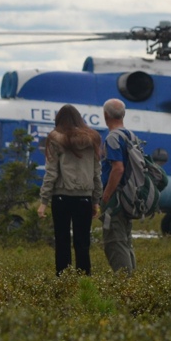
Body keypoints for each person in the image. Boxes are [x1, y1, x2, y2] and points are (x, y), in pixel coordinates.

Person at [37, 105, 103, 276]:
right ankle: (84, 280)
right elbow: (97, 173)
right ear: (79, 119)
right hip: (84, 198)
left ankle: (63, 281)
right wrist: (95, 200)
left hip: (61, 197)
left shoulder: (55, 138)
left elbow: (51, 172)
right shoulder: (93, 139)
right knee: (83, 243)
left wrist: (44, 201)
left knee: (62, 241)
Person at [99, 98, 136, 273]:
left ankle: (124, 285)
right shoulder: (131, 135)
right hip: (130, 196)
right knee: (125, 241)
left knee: (114, 242)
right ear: (124, 114)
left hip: (116, 198)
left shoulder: (113, 138)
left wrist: (106, 195)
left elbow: (118, 169)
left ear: (106, 115)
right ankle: (132, 282)